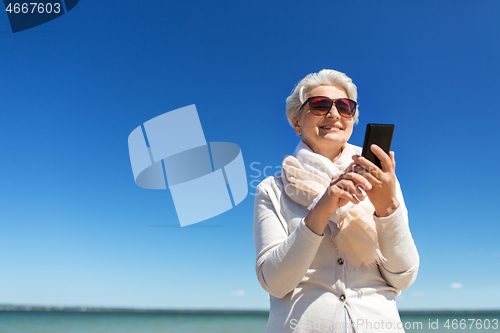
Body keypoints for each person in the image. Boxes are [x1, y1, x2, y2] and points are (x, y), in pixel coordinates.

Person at [253, 69, 419, 333]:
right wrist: (323, 207)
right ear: (297, 123)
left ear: (352, 119)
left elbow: (404, 277)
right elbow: (275, 282)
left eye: (344, 106)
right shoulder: (272, 189)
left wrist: (387, 210)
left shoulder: (383, 182)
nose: (333, 114)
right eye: (319, 105)